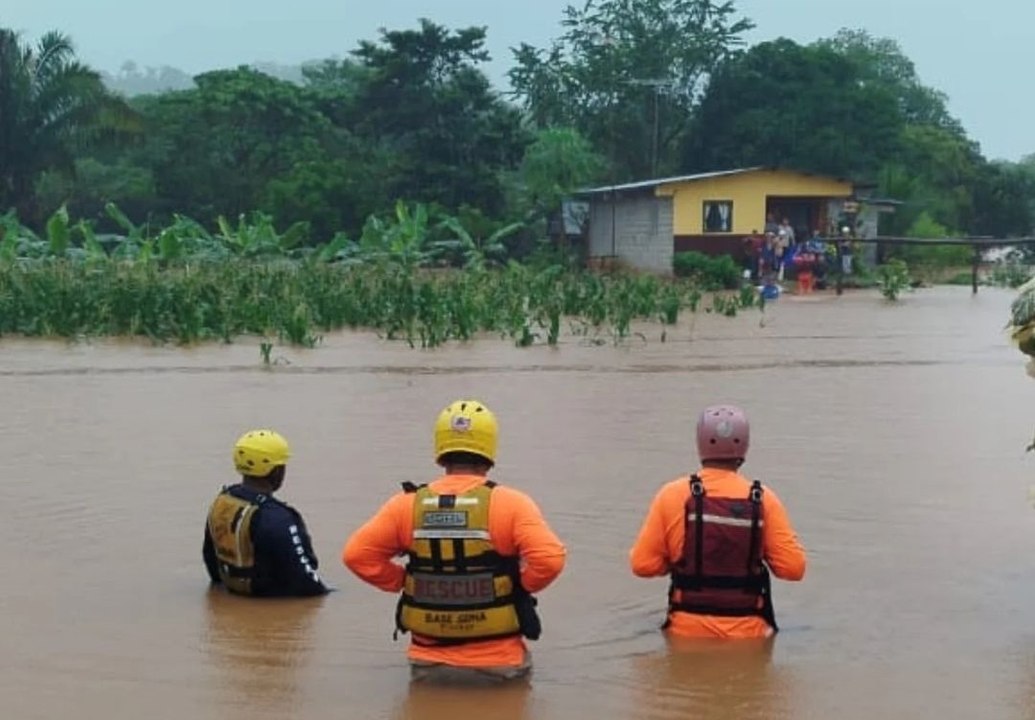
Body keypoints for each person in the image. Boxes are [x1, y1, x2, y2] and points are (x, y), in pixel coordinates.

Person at [343, 399, 566, 684]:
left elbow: (356, 556)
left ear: (441, 449)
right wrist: (522, 585)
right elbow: (550, 559)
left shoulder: (405, 505)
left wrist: (403, 581)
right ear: (490, 447)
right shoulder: (512, 504)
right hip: (500, 666)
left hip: (428, 663)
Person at [629, 405, 806, 639]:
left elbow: (642, 565)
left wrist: (678, 562)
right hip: (749, 635)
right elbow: (793, 569)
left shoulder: (672, 494)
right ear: (745, 446)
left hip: (685, 632)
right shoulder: (764, 499)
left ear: (699, 444)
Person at [203, 429, 331, 597]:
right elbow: (305, 580)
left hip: (236, 591)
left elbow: (210, 558)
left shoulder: (223, 500)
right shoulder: (278, 518)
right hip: (272, 599)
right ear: (276, 471)